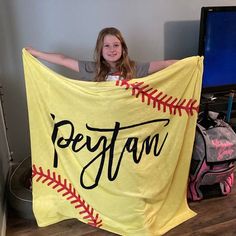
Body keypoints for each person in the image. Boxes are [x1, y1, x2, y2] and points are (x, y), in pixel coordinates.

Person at [26, 27, 177, 82]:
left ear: (123, 48)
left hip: (126, 122)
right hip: (101, 122)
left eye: (116, 45)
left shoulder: (134, 68)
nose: (112, 49)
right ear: (101, 50)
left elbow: (164, 64)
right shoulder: (92, 68)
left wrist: (194, 63)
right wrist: (37, 53)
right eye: (107, 46)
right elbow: (63, 59)